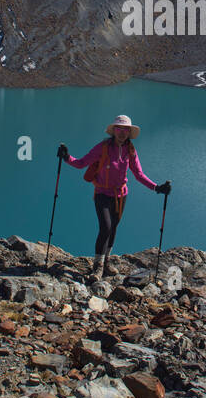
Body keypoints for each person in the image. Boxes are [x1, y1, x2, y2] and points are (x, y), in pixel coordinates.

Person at [58, 114, 171, 276]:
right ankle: (97, 266)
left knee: (113, 227)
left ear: (129, 132)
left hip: (120, 195)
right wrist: (67, 157)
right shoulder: (103, 147)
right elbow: (81, 163)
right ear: (114, 131)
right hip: (102, 194)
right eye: (119, 128)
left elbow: (138, 174)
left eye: (126, 129)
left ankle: (107, 261)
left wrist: (157, 188)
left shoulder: (130, 150)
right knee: (106, 227)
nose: (122, 132)